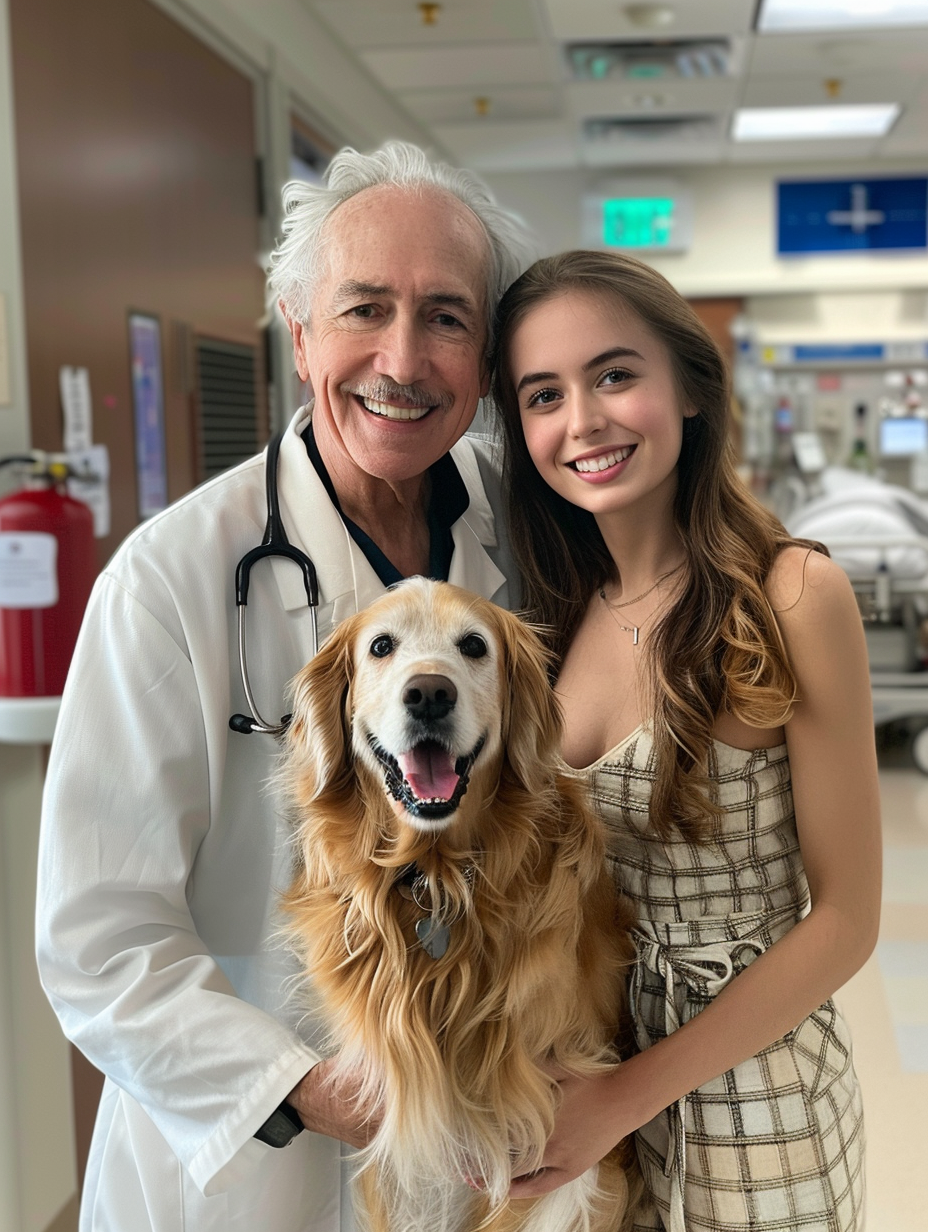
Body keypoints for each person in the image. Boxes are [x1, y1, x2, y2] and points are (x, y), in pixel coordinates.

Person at [35, 141, 532, 1232]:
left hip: (478, 1153)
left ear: (487, 357)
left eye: (446, 316)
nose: (402, 359)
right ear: (298, 330)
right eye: (364, 309)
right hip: (253, 1170)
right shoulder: (172, 578)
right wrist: (316, 1086)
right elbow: (97, 937)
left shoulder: (529, 543)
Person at [490, 250, 880, 1232]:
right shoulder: (545, 621)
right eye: (544, 393)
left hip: (753, 1100)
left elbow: (844, 918)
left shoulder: (789, 594)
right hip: (587, 1085)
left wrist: (625, 1096)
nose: (581, 420)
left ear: (690, 389)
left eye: (614, 374)